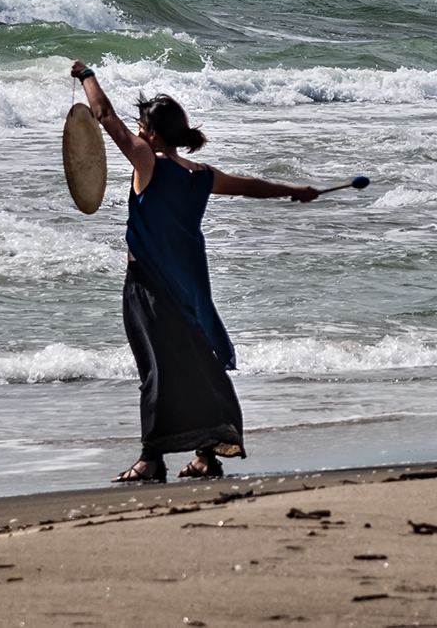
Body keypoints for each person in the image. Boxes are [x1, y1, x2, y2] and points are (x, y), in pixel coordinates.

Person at [70, 60, 320, 483]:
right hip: (191, 283)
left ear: (149, 132)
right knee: (200, 364)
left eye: (140, 126)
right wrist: (294, 191)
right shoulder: (202, 176)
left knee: (156, 368)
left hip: (150, 284)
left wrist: (86, 75)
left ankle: (151, 459)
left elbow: (104, 116)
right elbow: (249, 186)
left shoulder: (146, 161)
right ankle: (207, 456)